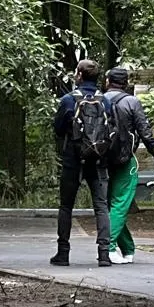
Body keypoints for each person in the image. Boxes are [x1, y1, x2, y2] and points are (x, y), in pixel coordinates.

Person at [51, 58, 115, 267]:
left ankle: (63, 253)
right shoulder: (105, 101)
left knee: (66, 206)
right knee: (101, 206)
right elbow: (111, 129)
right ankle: (104, 254)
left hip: (73, 159)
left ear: (79, 75)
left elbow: (59, 129)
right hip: (98, 160)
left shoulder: (69, 100)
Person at [102, 66, 154, 264]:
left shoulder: (98, 100)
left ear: (108, 81)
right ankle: (108, 248)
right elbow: (145, 131)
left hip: (101, 161)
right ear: (125, 83)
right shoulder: (131, 102)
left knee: (113, 205)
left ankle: (128, 249)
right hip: (124, 160)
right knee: (120, 204)